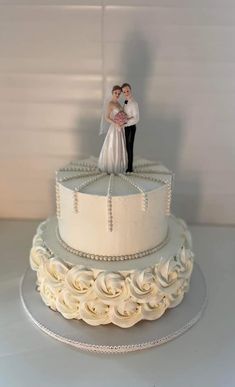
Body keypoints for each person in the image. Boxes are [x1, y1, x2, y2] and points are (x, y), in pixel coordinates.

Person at [98, 85, 128, 174]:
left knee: (120, 145)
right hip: (115, 128)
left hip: (120, 128)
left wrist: (123, 122)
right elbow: (106, 117)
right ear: (112, 93)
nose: (117, 95)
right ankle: (112, 166)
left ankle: (119, 165)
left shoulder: (118, 103)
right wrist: (116, 124)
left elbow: (122, 113)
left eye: (119, 93)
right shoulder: (111, 103)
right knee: (113, 145)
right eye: (116, 93)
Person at [122, 83, 139, 172]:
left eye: (127, 91)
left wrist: (126, 120)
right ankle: (127, 164)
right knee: (126, 146)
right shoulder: (125, 102)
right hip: (125, 127)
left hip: (131, 127)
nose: (126, 93)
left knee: (130, 147)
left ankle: (130, 167)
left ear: (130, 90)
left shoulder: (134, 103)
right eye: (124, 92)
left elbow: (136, 118)